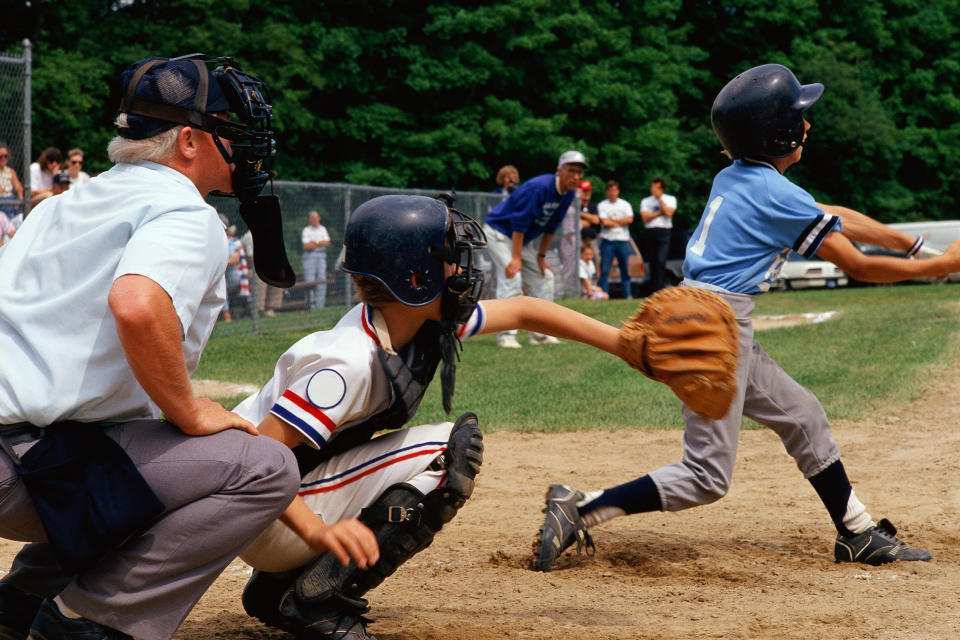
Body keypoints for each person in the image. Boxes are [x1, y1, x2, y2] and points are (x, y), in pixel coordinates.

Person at [530, 63, 960, 573]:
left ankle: (857, 532)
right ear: (779, 133)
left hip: (712, 316)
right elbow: (858, 265)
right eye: (799, 117)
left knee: (803, 414)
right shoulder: (778, 194)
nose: (808, 125)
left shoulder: (739, 177)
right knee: (707, 476)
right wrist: (942, 264)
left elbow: (833, 214)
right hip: (713, 327)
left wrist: (910, 243)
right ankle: (580, 507)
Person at [234, 193, 649, 640]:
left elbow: (527, 311)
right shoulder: (349, 362)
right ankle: (313, 602)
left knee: (435, 448)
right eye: (451, 259)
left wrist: (627, 345)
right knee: (442, 453)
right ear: (415, 278)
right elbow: (256, 466)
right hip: (262, 513)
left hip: (275, 510)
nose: (463, 270)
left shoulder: (410, 318)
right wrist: (315, 533)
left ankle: (278, 589)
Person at [0, 54, 299, 640]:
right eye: (230, 133)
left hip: (25, 452)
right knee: (263, 467)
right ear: (188, 141)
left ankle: (22, 604)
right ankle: (92, 623)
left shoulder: (58, 206)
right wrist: (189, 409)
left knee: (141, 449)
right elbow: (136, 304)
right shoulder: (185, 211)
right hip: (27, 467)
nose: (246, 147)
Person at [482, 150, 586, 348]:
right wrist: (516, 259)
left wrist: (540, 256)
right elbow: (519, 224)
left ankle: (541, 334)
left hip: (518, 238)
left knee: (545, 276)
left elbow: (551, 226)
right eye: (571, 171)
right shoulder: (539, 187)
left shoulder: (569, 193)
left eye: (579, 173)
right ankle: (506, 335)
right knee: (512, 276)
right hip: (499, 232)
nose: (575, 176)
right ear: (559, 170)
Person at [596, 180, 635, 299]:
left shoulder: (625, 204)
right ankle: (603, 295)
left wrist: (612, 222)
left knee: (625, 270)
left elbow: (630, 220)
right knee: (605, 269)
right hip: (608, 241)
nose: (613, 193)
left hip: (623, 241)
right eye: (610, 190)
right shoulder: (602, 205)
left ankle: (627, 295)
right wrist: (621, 222)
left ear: (618, 191)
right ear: (607, 192)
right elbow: (604, 222)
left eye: (615, 190)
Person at [640, 177, 677, 293]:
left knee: (661, 260)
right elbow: (645, 217)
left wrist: (660, 201)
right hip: (651, 231)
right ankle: (653, 290)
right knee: (652, 261)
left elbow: (668, 213)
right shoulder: (646, 201)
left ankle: (660, 288)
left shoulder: (670, 199)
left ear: (661, 188)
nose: (652, 189)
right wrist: (660, 212)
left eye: (655, 187)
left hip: (664, 232)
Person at [301, 210, 331, 308]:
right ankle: (311, 306)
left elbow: (327, 242)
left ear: (319, 218)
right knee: (310, 281)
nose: (314, 220)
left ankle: (320, 306)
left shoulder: (323, 229)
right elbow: (306, 246)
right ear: (309, 219)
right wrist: (320, 242)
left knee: (321, 280)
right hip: (309, 256)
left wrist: (315, 242)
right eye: (312, 218)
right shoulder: (306, 230)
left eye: (316, 217)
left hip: (321, 256)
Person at [0, 142, 24, 225]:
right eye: (0, 157)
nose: (3, 158)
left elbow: (18, 187)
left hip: (10, 199)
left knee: (20, 217)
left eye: (5, 156)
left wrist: (19, 200)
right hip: (1, 200)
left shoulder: (10, 171)